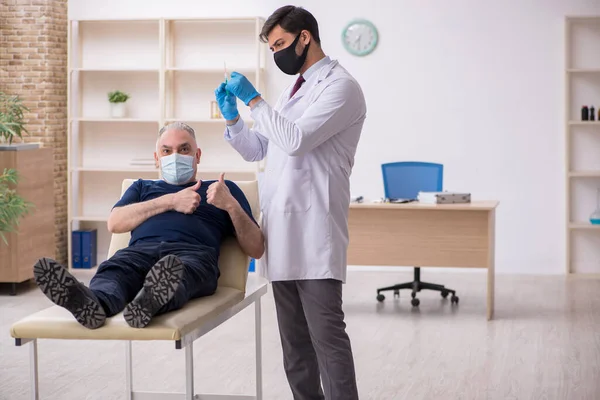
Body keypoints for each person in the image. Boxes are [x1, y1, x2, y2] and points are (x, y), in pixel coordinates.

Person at [214, 5, 366, 400]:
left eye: (281, 43)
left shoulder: (340, 87)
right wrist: (234, 119)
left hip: (315, 232)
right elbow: (258, 148)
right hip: (279, 232)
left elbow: (297, 141)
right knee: (295, 348)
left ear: (305, 38)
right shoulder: (292, 90)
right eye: (272, 47)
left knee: (327, 341)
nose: (277, 53)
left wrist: (255, 101)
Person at [32, 122, 264, 330]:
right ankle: (93, 303)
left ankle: (150, 301)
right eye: (167, 151)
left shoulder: (223, 189)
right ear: (156, 158)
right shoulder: (142, 187)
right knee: (114, 274)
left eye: (184, 149)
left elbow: (256, 249)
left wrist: (231, 206)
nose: (175, 156)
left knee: (180, 273)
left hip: (191, 256)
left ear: (197, 155)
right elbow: (115, 222)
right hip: (137, 254)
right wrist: (171, 201)